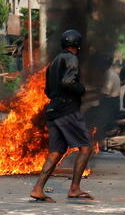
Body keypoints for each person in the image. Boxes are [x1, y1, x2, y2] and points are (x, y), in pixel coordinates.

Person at [30, 29, 93, 203]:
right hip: (67, 110)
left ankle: (37, 189)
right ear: (77, 45)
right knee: (86, 147)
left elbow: (48, 91)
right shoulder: (71, 58)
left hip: (53, 110)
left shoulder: (53, 62)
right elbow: (68, 82)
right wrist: (81, 89)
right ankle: (74, 188)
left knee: (56, 152)